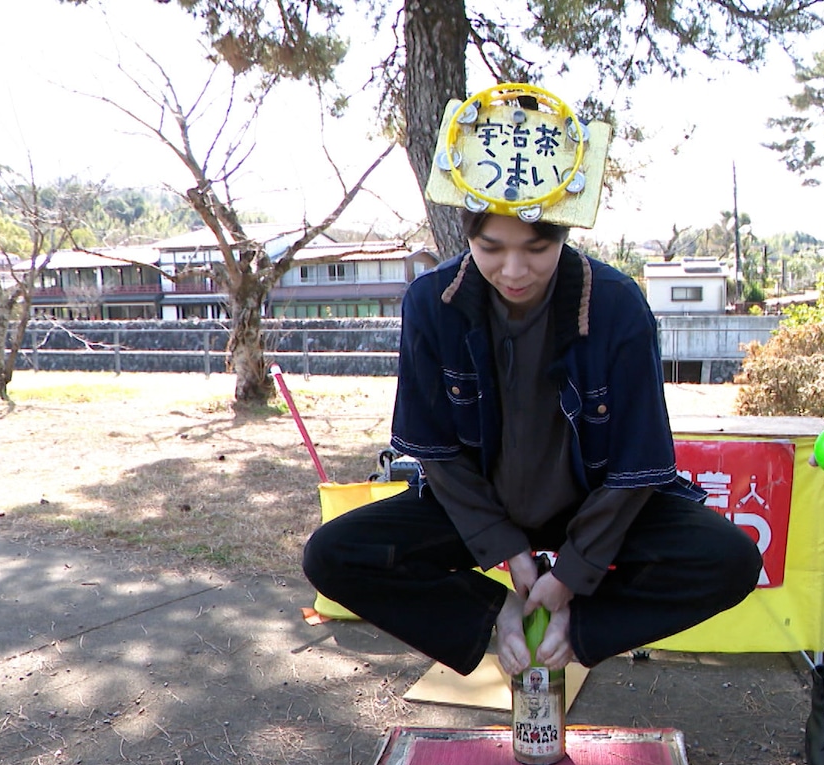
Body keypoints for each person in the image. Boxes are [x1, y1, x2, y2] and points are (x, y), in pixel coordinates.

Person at [302, 84, 761, 681]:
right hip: (481, 504)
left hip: (597, 506)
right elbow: (437, 452)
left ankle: (580, 625)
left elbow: (636, 466)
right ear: (466, 233)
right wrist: (507, 551)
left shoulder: (618, 306)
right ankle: (496, 614)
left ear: (564, 234)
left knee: (730, 560)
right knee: (332, 556)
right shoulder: (432, 303)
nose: (514, 271)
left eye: (537, 248)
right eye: (490, 247)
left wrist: (572, 576)